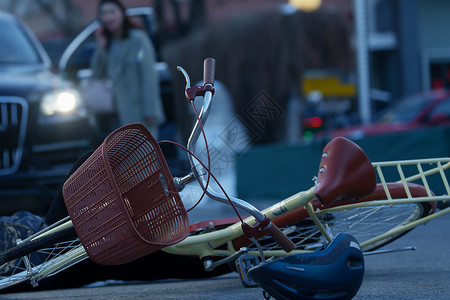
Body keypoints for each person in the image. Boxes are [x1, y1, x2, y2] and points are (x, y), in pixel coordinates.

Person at [91, 0, 166, 140]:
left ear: (122, 13)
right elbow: (97, 74)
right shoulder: (109, 44)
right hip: (118, 115)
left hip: (141, 113)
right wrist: (100, 46)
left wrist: (151, 112)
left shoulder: (137, 39)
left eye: (112, 12)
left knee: (145, 157)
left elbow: (148, 76)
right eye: (104, 13)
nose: (108, 17)